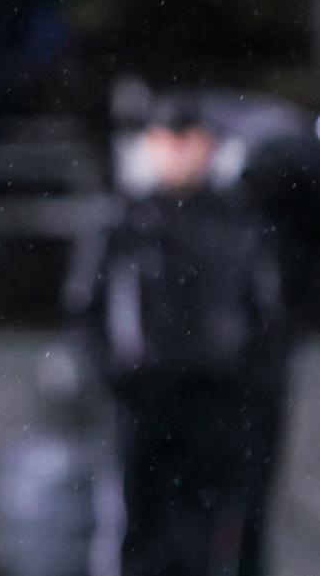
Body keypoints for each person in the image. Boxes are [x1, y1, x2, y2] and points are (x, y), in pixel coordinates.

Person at [76, 94, 289, 576]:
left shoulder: (238, 219)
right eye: (167, 139)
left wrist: (245, 381)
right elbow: (87, 309)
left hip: (218, 400)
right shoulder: (122, 220)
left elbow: (265, 313)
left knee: (217, 528)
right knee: (138, 526)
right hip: (142, 398)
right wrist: (114, 373)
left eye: (188, 139)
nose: (178, 151)